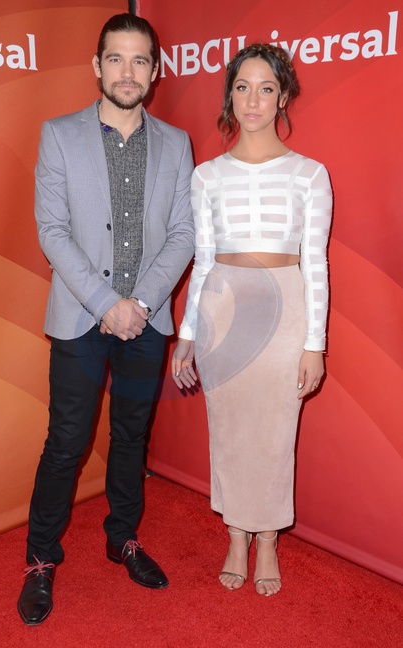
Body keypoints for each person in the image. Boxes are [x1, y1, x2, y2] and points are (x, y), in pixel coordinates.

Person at [17, 13, 194, 625]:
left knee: (131, 438)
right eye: (115, 58)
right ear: (97, 66)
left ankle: (123, 538)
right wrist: (106, 303)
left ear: (155, 70)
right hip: (79, 318)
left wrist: (139, 304)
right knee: (66, 442)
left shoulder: (176, 143)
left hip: (147, 322)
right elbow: (52, 230)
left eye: (139, 60)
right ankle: (41, 558)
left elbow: (183, 233)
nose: (127, 71)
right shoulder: (59, 134)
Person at [172, 43, 332, 597]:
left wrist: (314, 343)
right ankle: (236, 535)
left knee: (276, 429)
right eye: (243, 87)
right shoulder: (207, 176)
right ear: (230, 96)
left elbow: (316, 262)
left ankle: (267, 538)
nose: (254, 100)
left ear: (282, 96)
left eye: (266, 88)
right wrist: (187, 334)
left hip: (286, 306)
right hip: (223, 307)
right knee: (229, 426)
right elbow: (203, 260)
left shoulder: (310, 174)